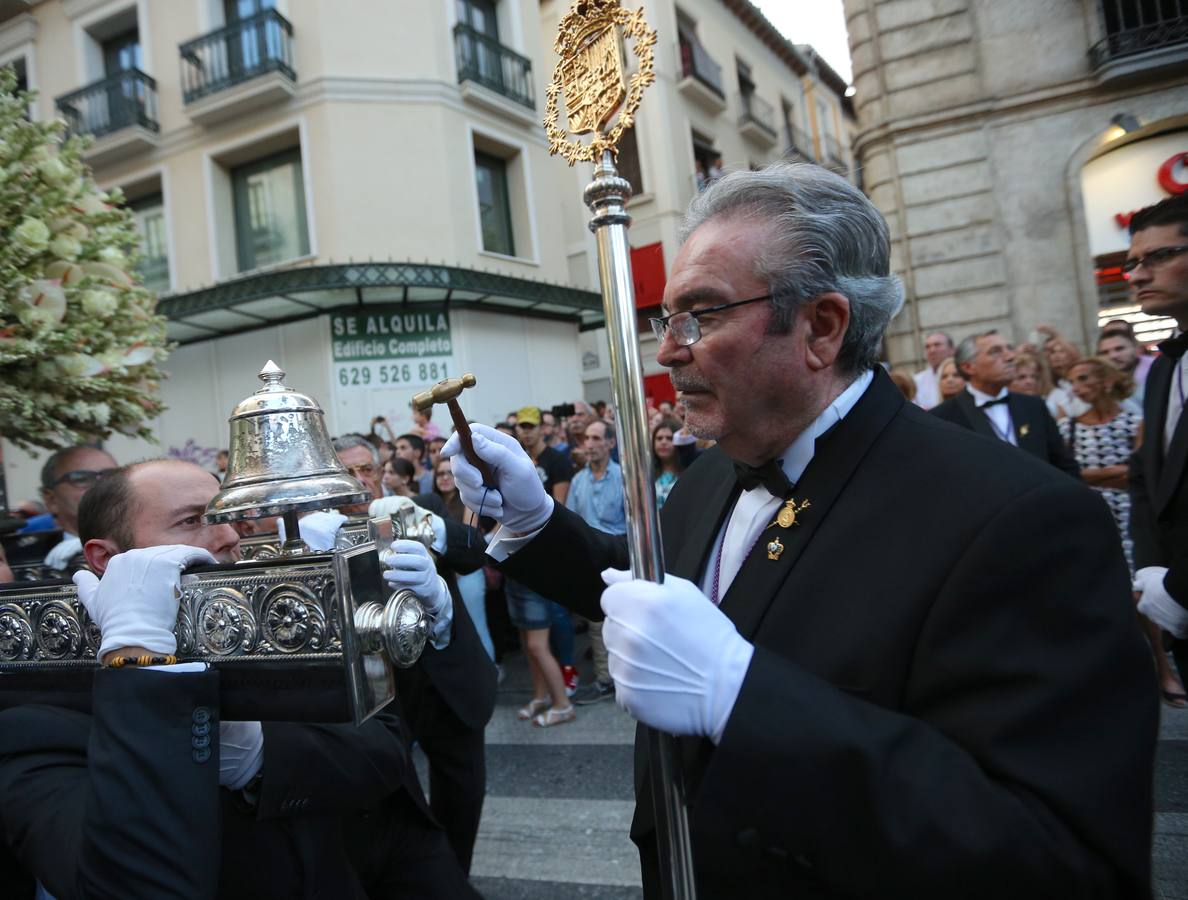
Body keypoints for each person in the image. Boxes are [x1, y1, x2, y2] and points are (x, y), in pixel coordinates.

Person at [443, 162, 1156, 898]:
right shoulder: (710, 475)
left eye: (704, 314)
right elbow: (652, 595)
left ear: (821, 326)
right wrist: (534, 521)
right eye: (667, 319)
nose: (667, 349)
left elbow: (1059, 860)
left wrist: (742, 698)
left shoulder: (1021, 520)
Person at [0, 459, 478, 899]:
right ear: (106, 559)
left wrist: (258, 758)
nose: (229, 537)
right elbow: (134, 886)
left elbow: (384, 748)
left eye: (228, 518)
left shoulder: (276, 620)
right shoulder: (34, 720)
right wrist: (138, 663)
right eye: (193, 521)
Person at [324, 442, 497, 875]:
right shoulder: (321, 536)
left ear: (382, 470)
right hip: (381, 694)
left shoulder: (418, 506)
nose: (361, 480)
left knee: (463, 796)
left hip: (447, 677)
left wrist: (433, 525)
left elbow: (476, 552)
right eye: (349, 473)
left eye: (367, 468)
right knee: (397, 803)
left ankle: (456, 878)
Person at [1126, 193, 1188, 714]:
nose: (1137, 274)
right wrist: (1152, 572)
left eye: (1159, 256)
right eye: (1132, 263)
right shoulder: (1164, 368)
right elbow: (1148, 480)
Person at [932, 331, 1081, 477]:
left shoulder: (1034, 406)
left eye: (1010, 348)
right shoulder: (943, 418)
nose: (1010, 357)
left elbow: (1064, 466)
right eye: (995, 352)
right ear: (969, 367)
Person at [514, 405, 579, 696]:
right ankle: (543, 690)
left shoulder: (557, 460)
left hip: (552, 546)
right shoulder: (517, 461)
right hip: (524, 549)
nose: (526, 432)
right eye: (522, 427)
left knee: (559, 614)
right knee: (531, 626)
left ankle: (568, 671)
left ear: (542, 428)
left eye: (530, 426)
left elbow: (558, 506)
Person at [567, 420, 626, 707]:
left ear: (610, 443)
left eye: (595, 438)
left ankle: (627, 677)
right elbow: (572, 521)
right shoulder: (578, 481)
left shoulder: (625, 477)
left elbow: (635, 522)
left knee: (624, 620)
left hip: (619, 560)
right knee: (595, 622)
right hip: (589, 561)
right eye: (586, 439)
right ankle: (605, 680)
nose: (588, 444)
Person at [37, 445, 117, 574]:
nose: (102, 485)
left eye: (111, 476)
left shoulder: (150, 544)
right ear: (51, 500)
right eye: (81, 478)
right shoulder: (18, 556)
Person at [1098, 329, 1153, 406]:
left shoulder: (1157, 369)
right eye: (1105, 352)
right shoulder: (1098, 382)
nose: (1113, 356)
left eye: (1119, 349)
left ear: (1136, 349)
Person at [911, 331, 954, 409]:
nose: (932, 350)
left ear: (952, 349)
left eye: (937, 345)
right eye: (927, 347)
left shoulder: (966, 376)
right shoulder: (916, 381)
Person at [652, 419, 685, 509]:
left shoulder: (689, 471)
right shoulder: (647, 474)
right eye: (659, 438)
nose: (663, 442)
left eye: (669, 438)